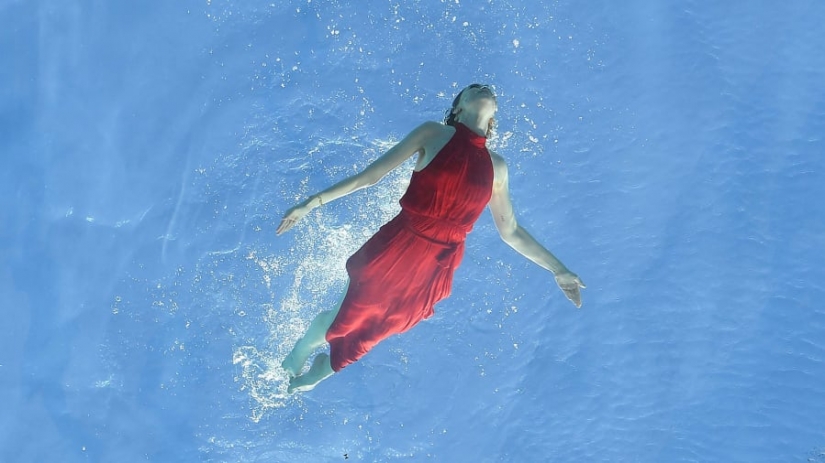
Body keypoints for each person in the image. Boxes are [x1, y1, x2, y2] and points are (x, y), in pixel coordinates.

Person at [277, 84, 585, 393]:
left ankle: (317, 373)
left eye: (487, 89)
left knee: (376, 329)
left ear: (494, 118)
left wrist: (558, 270)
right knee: (345, 317)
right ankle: (299, 354)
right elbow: (370, 177)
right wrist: (311, 203)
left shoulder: (498, 168)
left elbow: (511, 231)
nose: (483, 88)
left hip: (438, 264)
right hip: (402, 242)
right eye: (472, 88)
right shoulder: (434, 134)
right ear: (458, 108)